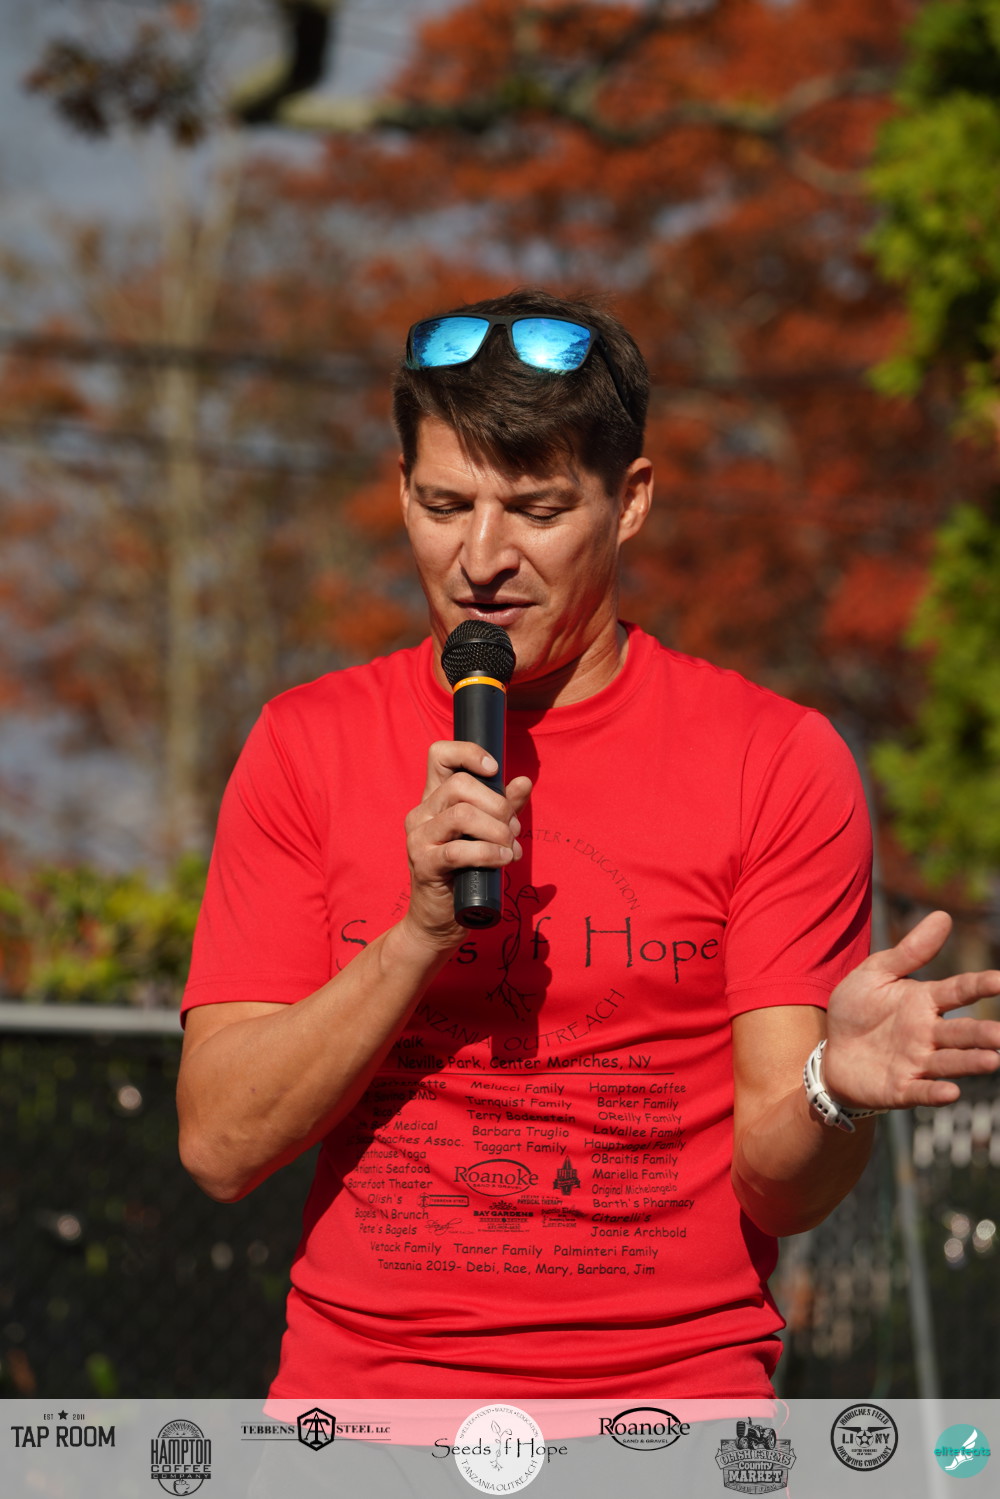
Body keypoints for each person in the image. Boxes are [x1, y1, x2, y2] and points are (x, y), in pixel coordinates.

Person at [177, 287, 1000, 1401]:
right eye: (445, 503)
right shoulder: (303, 745)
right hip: (365, 1410)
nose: (481, 555)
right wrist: (415, 935)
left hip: (670, 1413)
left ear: (631, 500)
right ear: (402, 491)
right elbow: (220, 1145)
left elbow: (780, 1187)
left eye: (536, 508)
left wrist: (834, 1090)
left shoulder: (772, 757)